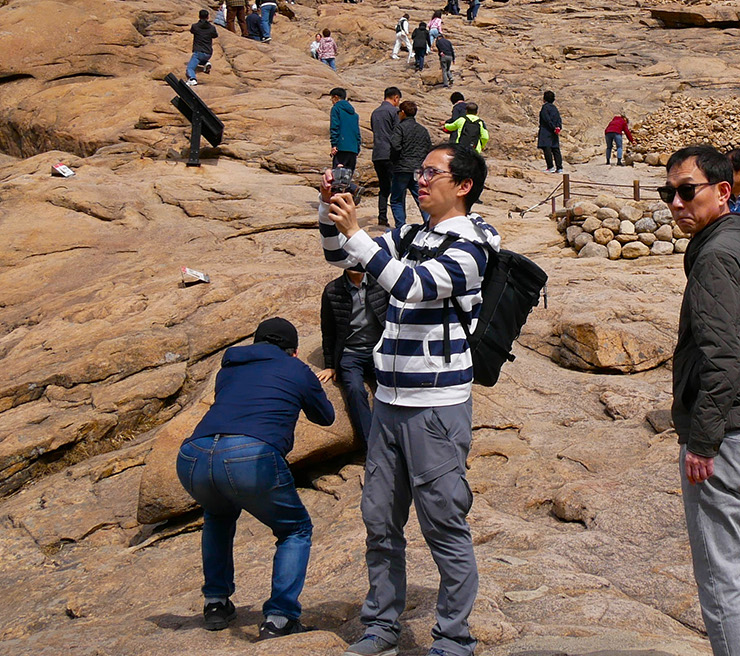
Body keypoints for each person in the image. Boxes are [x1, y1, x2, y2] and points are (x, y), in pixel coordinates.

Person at [319, 143, 500, 656]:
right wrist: (330, 209)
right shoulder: (411, 234)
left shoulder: (474, 244)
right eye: (419, 172)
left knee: (443, 523)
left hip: (437, 405)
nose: (419, 180)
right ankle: (380, 623)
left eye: (430, 172)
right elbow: (341, 257)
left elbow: (413, 285)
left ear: (463, 185)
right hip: (391, 403)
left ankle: (453, 636)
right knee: (379, 520)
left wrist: (358, 234)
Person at [663, 145, 740, 656]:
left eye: (686, 191)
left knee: (721, 578)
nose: (675, 202)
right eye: (668, 192)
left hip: (727, 438)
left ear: (722, 192)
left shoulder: (716, 258)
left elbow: (721, 361)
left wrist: (702, 442)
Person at [176, 317, 334, 640]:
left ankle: (216, 603)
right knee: (295, 529)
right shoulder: (296, 369)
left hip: (193, 455)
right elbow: (326, 416)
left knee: (218, 514)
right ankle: (279, 618)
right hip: (250, 454)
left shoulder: (229, 369)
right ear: (293, 350)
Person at [319, 268, 385, 448]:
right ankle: (371, 447)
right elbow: (328, 331)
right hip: (350, 352)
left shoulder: (381, 283)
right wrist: (330, 365)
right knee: (355, 390)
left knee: (388, 387)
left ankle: (392, 439)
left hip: (378, 349)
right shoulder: (333, 290)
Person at [387, 101, 434, 227]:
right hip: (418, 169)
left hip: (402, 167)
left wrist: (394, 160)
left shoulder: (400, 128)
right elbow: (428, 149)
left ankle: (401, 228)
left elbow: (395, 145)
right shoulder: (422, 130)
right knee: (421, 197)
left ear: (402, 112)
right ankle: (430, 225)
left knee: (396, 199)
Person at [371, 88, 402, 228]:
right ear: (395, 97)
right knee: (397, 187)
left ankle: (382, 216)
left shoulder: (375, 112)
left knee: (383, 188)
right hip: (390, 153)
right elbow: (397, 133)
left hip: (377, 154)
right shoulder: (394, 112)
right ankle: (400, 222)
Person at [330, 88, 360, 170]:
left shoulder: (336, 109)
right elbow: (357, 133)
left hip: (341, 148)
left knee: (338, 177)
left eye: (331, 98)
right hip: (353, 149)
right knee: (348, 177)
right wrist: (357, 148)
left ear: (335, 97)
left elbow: (335, 127)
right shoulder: (355, 114)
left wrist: (334, 145)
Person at [186, 10, 218, 85]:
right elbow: (215, 35)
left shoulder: (195, 26)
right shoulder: (212, 28)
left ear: (199, 16)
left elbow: (192, 31)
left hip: (198, 52)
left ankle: (192, 79)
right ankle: (206, 63)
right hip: (208, 53)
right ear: (208, 17)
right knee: (200, 59)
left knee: (190, 68)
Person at [538, 90, 564, 173]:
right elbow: (559, 119)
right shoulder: (554, 108)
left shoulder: (545, 107)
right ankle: (559, 168)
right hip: (555, 131)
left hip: (546, 130)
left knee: (547, 148)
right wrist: (558, 127)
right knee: (555, 149)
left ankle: (550, 167)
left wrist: (552, 127)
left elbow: (546, 119)